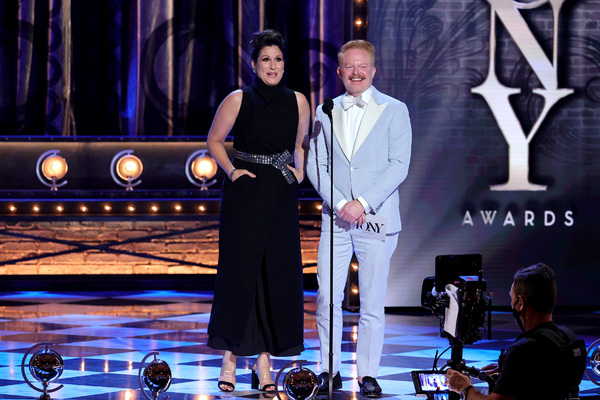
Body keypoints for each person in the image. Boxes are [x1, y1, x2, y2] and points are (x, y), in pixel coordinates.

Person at [306, 39, 412, 398]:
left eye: (362, 66)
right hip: (336, 220)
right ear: (339, 71)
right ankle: (329, 369)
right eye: (349, 67)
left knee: (371, 300)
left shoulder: (395, 110)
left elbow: (399, 165)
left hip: (377, 219)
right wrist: (341, 204)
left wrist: (362, 203)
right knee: (327, 298)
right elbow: (315, 166)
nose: (355, 72)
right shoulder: (325, 110)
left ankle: (367, 373)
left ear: (373, 70)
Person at [206, 29, 310, 393]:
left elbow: (299, 143)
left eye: (278, 59)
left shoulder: (298, 100)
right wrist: (233, 172)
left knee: (274, 276)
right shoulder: (239, 98)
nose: (273, 65)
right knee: (240, 273)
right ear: (254, 64)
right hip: (245, 193)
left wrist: (299, 170)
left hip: (280, 195)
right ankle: (230, 359)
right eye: (266, 59)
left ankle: (265, 365)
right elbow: (214, 140)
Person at [445, 263, 586, 400]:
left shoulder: (523, 350)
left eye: (511, 298)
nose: (511, 303)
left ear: (521, 302)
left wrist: (464, 388)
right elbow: (546, 380)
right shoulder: (569, 338)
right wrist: (509, 371)